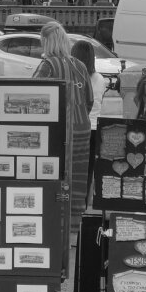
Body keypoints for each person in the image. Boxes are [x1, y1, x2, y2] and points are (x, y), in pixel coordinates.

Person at [33, 22, 94, 233]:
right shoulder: (80, 65)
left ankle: (54, 226)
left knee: (55, 177)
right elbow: (89, 100)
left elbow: (31, 98)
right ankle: (73, 226)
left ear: (46, 42)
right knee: (76, 179)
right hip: (82, 128)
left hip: (59, 131)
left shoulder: (48, 65)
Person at [70, 39, 107, 205]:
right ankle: (84, 202)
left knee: (72, 168)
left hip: (76, 127)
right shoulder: (100, 79)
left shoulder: (73, 77)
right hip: (94, 128)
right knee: (88, 169)